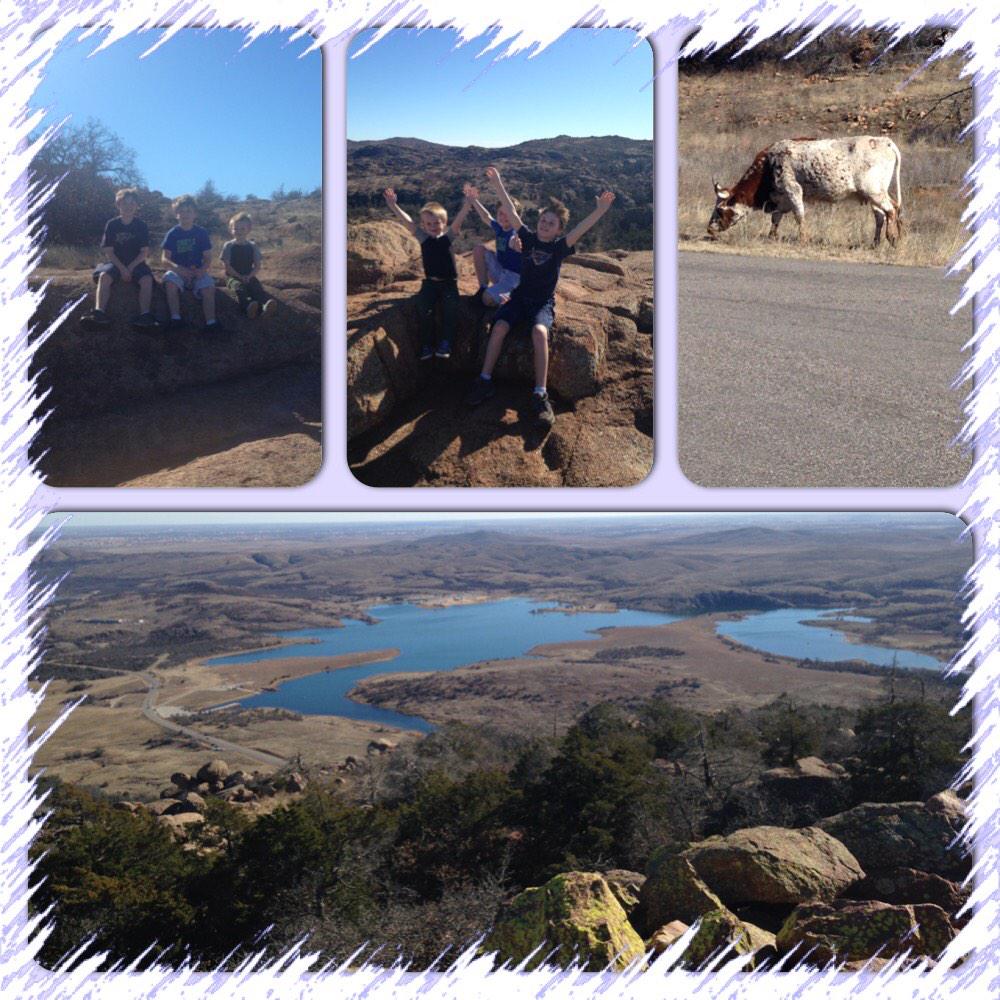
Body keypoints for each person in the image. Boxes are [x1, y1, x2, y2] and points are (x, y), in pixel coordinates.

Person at [466, 166, 616, 429]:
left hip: (541, 303)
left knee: (539, 332)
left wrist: (600, 211)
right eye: (542, 221)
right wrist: (498, 183)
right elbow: (511, 213)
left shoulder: (558, 248)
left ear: (558, 230)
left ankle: (540, 394)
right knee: (499, 327)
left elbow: (581, 228)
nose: (544, 225)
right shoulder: (526, 237)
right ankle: (484, 381)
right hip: (519, 297)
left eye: (551, 223)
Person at [383, 187, 472, 360]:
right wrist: (394, 206)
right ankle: (426, 345)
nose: (433, 227)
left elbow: (459, 221)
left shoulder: (448, 238)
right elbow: (408, 222)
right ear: (423, 225)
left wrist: (468, 203)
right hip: (430, 283)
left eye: (437, 223)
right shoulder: (423, 238)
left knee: (450, 310)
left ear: (443, 223)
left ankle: (445, 343)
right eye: (428, 224)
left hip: (449, 283)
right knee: (424, 309)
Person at [80, 187, 157, 331]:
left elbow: (144, 252)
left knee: (147, 280)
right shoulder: (112, 224)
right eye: (125, 203)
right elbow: (109, 251)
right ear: (118, 205)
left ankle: (145, 315)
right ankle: (99, 313)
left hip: (136, 263)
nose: (128, 207)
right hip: (115, 262)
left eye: (132, 203)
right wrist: (122, 269)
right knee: (104, 276)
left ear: (136, 206)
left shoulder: (141, 226)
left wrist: (131, 268)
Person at [161, 195, 221, 333]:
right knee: (170, 282)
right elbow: (165, 258)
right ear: (176, 214)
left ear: (195, 214)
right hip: (179, 271)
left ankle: (211, 323)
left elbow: (207, 258)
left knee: (208, 287)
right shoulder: (172, 234)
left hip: (197, 271)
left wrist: (202, 270)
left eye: (189, 211)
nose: (185, 214)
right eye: (181, 211)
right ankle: (175, 319)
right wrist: (178, 269)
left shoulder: (201, 233)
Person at [464, 182, 522, 306]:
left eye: (508, 214)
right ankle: (483, 287)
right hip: (500, 270)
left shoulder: (516, 233)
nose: (503, 217)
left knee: (486, 300)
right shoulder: (500, 228)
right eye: (501, 213)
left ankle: (511, 297)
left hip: (513, 278)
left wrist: (518, 246)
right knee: (479, 250)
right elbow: (486, 216)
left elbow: (515, 241)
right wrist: (474, 201)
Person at [220, 212, 276, 319]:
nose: (238, 231)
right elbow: (227, 266)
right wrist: (239, 277)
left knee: (257, 288)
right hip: (232, 277)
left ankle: (265, 307)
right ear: (231, 229)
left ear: (248, 229)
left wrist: (249, 276)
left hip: (249, 275)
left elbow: (257, 266)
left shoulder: (252, 246)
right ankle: (247, 307)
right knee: (239, 288)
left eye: (242, 229)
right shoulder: (228, 246)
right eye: (235, 228)